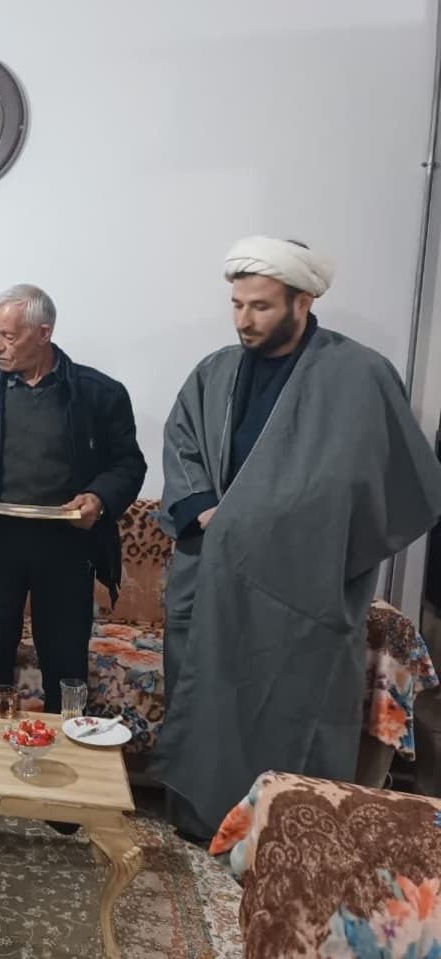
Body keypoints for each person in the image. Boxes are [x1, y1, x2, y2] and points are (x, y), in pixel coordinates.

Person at [152, 235, 441, 840]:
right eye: (237, 304)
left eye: (260, 306)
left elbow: (382, 481)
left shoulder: (359, 375)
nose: (243, 320)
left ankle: (288, 835)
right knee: (207, 703)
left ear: (302, 303)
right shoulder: (215, 371)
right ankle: (201, 823)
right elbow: (182, 445)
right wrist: (206, 510)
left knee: (291, 710)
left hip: (299, 588)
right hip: (212, 578)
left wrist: (284, 530)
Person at [0, 284, 146, 714]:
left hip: (66, 547)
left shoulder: (98, 393)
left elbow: (128, 464)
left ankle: (65, 748)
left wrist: (98, 498)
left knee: (66, 669)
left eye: (8, 336)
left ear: (44, 333)